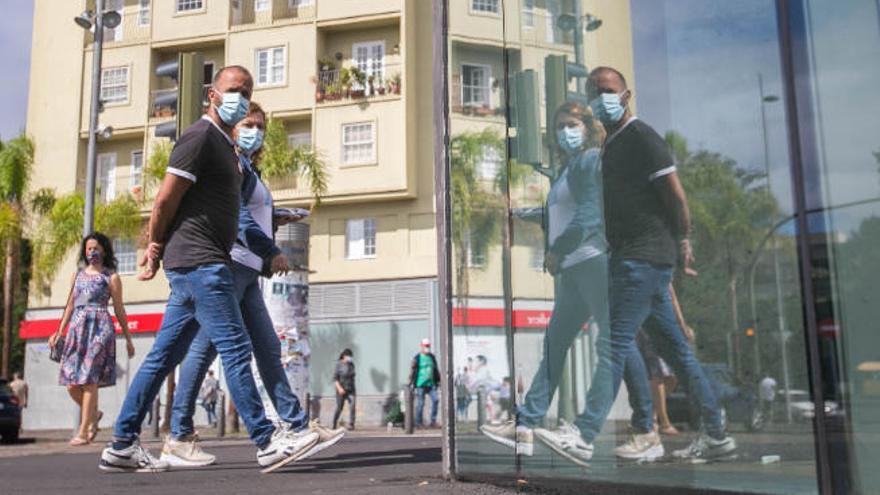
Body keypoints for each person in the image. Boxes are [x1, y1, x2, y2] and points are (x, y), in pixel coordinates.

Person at [100, 66, 319, 474]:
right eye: (234, 89)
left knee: (164, 357)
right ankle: (267, 441)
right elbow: (165, 200)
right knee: (235, 350)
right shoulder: (199, 137)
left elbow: (229, 213)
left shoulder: (225, 148)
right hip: (201, 263)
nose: (240, 96)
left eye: (247, 90)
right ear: (213, 94)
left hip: (197, 265)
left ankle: (121, 444)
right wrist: (154, 245)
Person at [533, 66, 736, 465]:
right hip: (641, 262)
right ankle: (716, 435)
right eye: (593, 91)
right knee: (678, 353)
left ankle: (585, 434)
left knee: (612, 343)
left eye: (607, 90)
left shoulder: (642, 137)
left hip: (642, 259)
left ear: (626, 96)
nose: (600, 97)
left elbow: (675, 196)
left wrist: (684, 240)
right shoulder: (612, 145)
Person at [160, 101, 344, 468]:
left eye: (260, 125)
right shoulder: (229, 162)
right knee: (205, 351)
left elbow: (247, 214)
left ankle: (295, 425)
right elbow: (237, 216)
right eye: (249, 123)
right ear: (232, 124)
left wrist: (275, 217)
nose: (255, 130)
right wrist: (270, 248)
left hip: (245, 269)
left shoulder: (245, 166)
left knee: (265, 347)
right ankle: (180, 433)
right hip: (227, 265)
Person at [480, 101, 610, 460]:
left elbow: (589, 213)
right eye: (559, 126)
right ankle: (525, 426)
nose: (565, 131)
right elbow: (563, 213)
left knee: (618, 349)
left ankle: (638, 426)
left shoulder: (589, 160)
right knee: (555, 346)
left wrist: (557, 250)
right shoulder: (568, 170)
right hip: (574, 270)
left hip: (592, 262)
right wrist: (528, 215)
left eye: (571, 124)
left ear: (587, 126)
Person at [48, 233, 136, 446]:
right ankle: (94, 415)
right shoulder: (77, 275)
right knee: (71, 382)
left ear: (104, 250)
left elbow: (119, 309)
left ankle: (83, 431)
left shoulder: (111, 277)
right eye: (88, 249)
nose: (92, 252)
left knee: (89, 379)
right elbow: (70, 305)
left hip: (100, 328)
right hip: (77, 329)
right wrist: (59, 331)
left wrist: (128, 338)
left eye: (96, 248)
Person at [409, 339, 441, 428]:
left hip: (431, 384)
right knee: (421, 403)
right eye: (425, 346)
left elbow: (435, 370)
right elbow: (412, 370)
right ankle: (418, 423)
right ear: (421, 346)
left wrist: (438, 380)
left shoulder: (432, 357)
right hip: (420, 385)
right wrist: (410, 381)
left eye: (428, 346)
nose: (427, 348)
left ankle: (433, 421)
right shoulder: (417, 358)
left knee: (436, 400)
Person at [332, 349, 356, 430]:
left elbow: (352, 376)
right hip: (341, 389)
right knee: (339, 407)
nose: (350, 358)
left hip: (351, 389)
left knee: (352, 406)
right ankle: (334, 423)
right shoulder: (338, 365)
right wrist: (339, 388)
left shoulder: (351, 364)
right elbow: (335, 379)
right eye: (349, 356)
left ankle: (351, 425)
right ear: (344, 356)